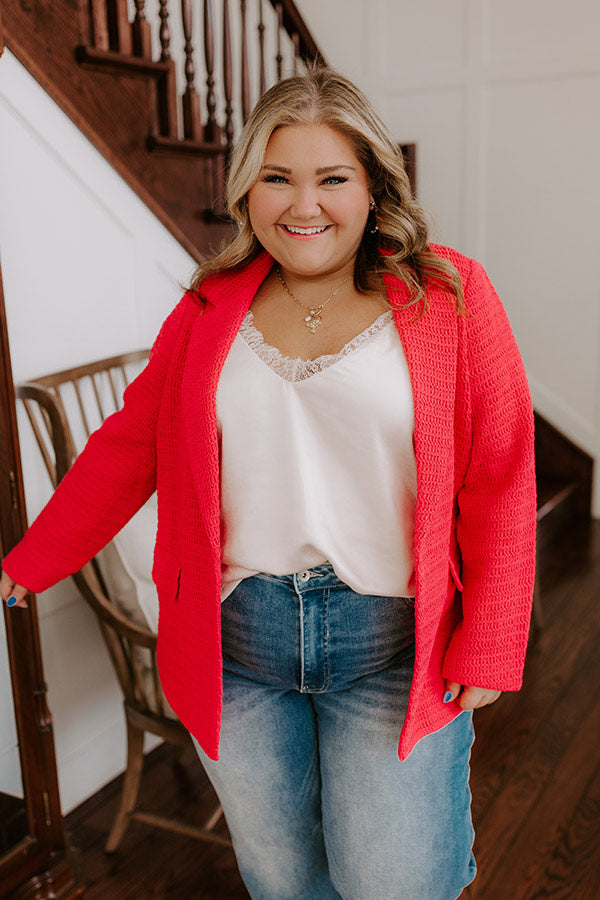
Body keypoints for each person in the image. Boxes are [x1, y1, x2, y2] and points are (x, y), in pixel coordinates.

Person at [1, 67, 537, 899]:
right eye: (277, 177)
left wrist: (493, 639)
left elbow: (500, 474)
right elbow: (125, 448)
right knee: (283, 881)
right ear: (247, 189)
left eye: (332, 178)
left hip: (391, 648)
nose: (303, 204)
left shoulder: (449, 297)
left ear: (373, 186)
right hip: (238, 650)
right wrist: (26, 564)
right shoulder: (207, 308)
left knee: (396, 882)